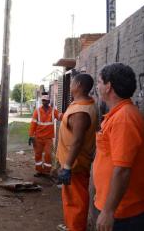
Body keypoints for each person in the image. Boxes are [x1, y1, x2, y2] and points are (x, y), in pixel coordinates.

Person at [93, 63, 144, 231]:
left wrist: (108, 211)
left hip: (122, 213)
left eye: (99, 82)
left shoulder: (124, 118)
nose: (97, 87)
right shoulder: (117, 115)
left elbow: (122, 169)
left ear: (108, 86)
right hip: (113, 207)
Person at [56, 73, 98, 231]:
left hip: (75, 165)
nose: (70, 84)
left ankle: (75, 228)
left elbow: (77, 140)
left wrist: (67, 166)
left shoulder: (81, 111)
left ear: (79, 85)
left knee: (76, 200)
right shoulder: (80, 104)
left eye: (72, 82)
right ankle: (71, 225)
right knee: (70, 198)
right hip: (73, 164)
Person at [28, 92, 62, 177]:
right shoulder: (37, 111)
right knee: (38, 154)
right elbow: (33, 124)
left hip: (48, 138)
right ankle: (39, 171)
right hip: (38, 137)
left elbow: (60, 117)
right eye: (43, 100)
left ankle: (46, 172)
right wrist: (31, 135)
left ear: (49, 101)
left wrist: (69, 115)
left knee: (48, 155)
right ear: (41, 101)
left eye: (46, 100)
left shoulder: (53, 111)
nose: (44, 102)